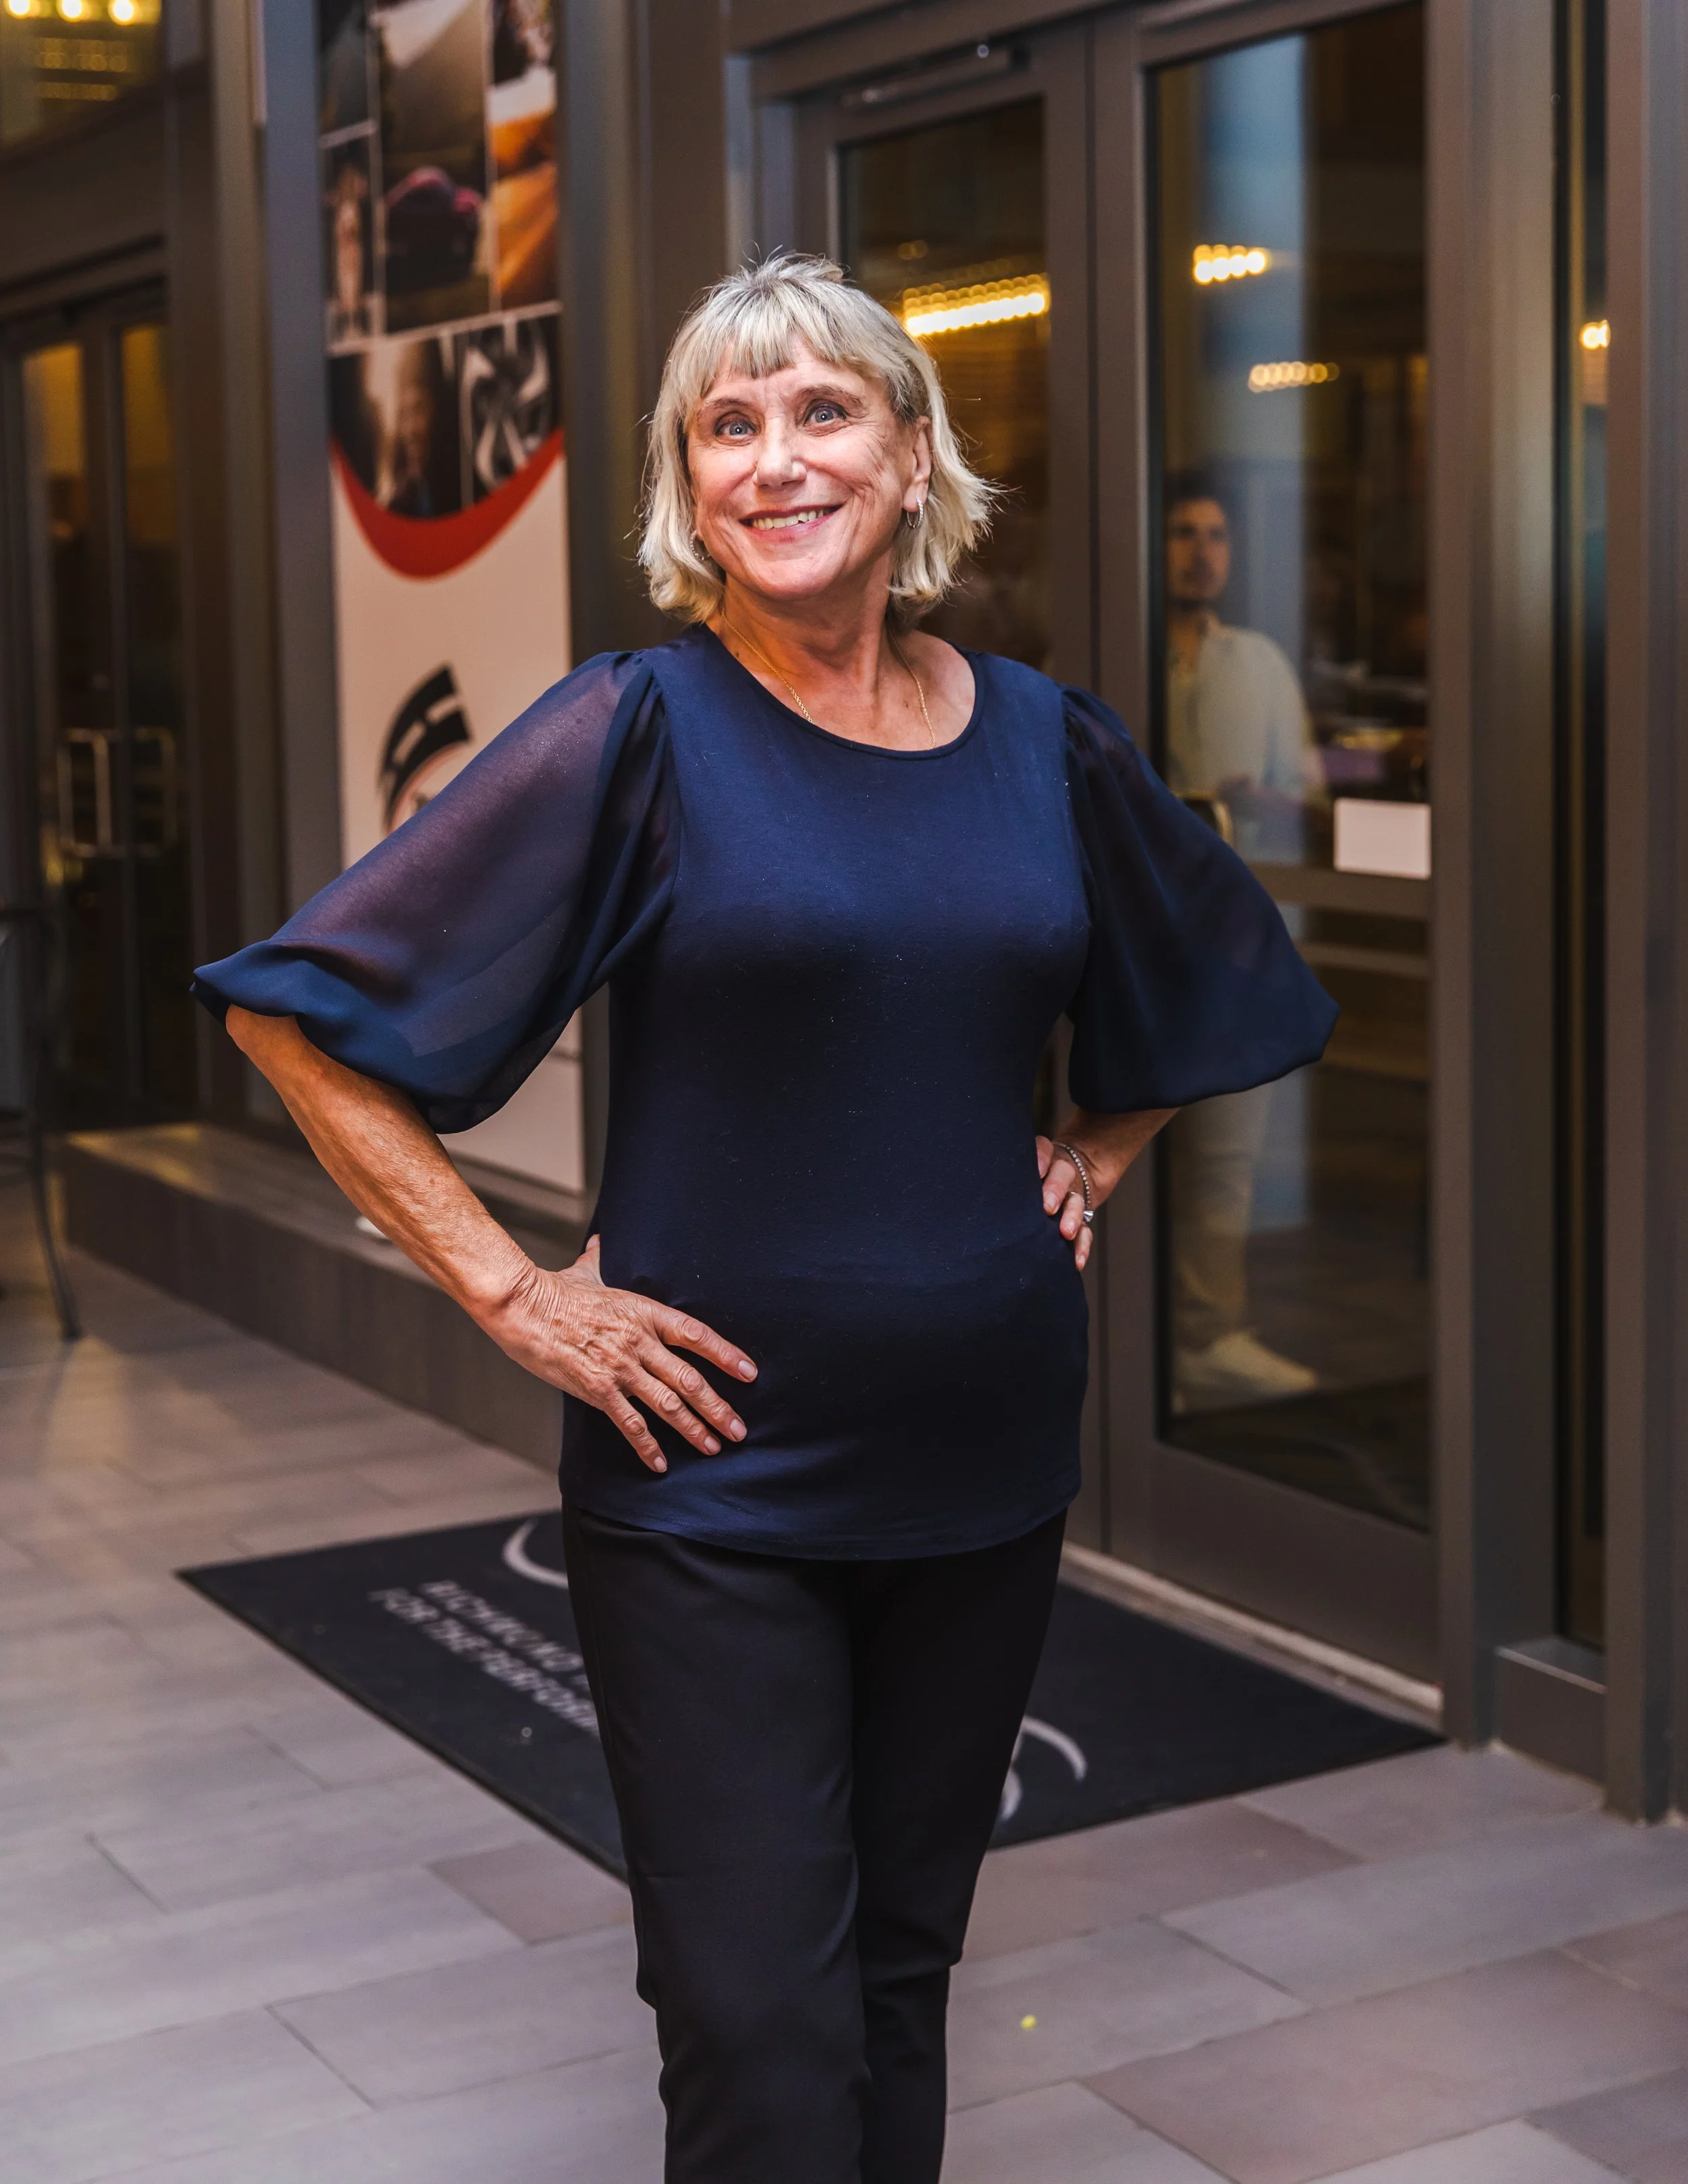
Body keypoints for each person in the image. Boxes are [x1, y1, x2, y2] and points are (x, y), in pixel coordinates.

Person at [192, 257, 1334, 2184]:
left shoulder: (1040, 740)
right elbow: (294, 1020)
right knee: (754, 2020)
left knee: (897, 1971)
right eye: (730, 425)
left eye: (822, 413)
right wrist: (510, 1294)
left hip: (979, 1466)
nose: (777, 456)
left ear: (909, 458)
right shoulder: (638, 730)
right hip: (706, 1484)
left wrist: (1098, 1147)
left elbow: (1220, 970)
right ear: (688, 487)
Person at [1162, 478, 1327, 1410]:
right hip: (1131, 941)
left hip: (1230, 939)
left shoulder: (1260, 662)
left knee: (1227, 1149)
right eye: (1183, 532)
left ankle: (1210, 1333)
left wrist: (1266, 800)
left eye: (1217, 534)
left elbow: (1310, 790)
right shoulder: (1107, 644)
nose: (1201, 551)